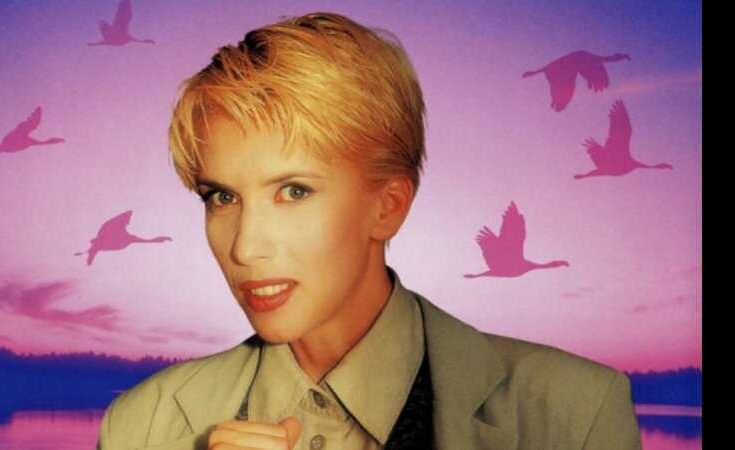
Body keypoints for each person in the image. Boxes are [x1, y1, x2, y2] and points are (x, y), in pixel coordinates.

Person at [96, 11, 642, 450]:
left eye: (293, 191)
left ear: (389, 206)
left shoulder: (574, 414)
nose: (245, 247)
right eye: (222, 197)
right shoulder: (141, 428)